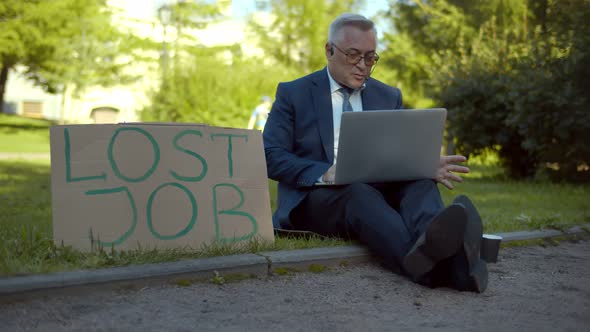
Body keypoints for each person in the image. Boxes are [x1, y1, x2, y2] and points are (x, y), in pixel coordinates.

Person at [263, 13, 489, 292]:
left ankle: (436, 258)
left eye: (370, 58)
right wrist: (325, 172)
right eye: (354, 55)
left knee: (420, 183)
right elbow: (269, 155)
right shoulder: (293, 93)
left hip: (379, 192)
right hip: (318, 199)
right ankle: (446, 268)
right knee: (357, 192)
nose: (362, 66)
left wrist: (420, 163)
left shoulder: (388, 95)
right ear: (329, 50)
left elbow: (395, 151)